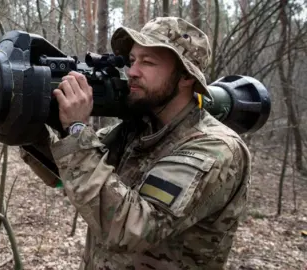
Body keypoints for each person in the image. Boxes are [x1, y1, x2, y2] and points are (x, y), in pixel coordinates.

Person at [19, 16, 251, 270]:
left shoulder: (213, 148)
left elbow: (132, 227)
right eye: (132, 61)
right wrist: (28, 130)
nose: (132, 72)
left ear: (186, 76)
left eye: (148, 62)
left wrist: (77, 130)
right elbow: (67, 175)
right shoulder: (137, 130)